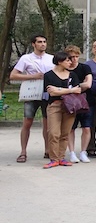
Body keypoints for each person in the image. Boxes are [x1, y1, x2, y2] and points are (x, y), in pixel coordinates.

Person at [10, 34, 53, 163]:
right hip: (31, 94)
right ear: (33, 44)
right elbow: (13, 75)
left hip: (47, 94)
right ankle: (23, 152)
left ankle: (48, 150)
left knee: (47, 124)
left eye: (44, 42)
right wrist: (32, 76)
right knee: (27, 122)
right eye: (39, 42)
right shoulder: (26, 58)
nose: (42, 44)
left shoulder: (51, 58)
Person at [42, 51, 83, 169]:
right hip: (54, 105)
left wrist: (59, 89)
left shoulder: (72, 75)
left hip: (70, 106)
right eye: (67, 60)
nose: (70, 62)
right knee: (53, 133)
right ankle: (54, 159)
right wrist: (69, 90)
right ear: (59, 61)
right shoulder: (48, 75)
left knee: (65, 133)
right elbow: (51, 92)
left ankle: (61, 157)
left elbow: (78, 90)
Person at [64, 45, 93, 164]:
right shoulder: (64, 69)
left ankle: (83, 152)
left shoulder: (85, 67)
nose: (74, 59)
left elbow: (88, 84)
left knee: (86, 127)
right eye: (71, 57)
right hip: (70, 103)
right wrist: (80, 85)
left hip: (86, 101)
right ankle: (71, 152)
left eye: (76, 56)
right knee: (71, 128)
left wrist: (74, 87)